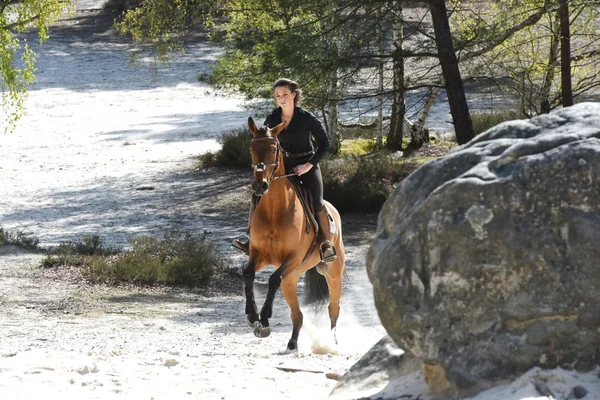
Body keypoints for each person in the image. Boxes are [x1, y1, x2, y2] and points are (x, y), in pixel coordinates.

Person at [232, 78, 336, 264]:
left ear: (293, 95)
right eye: (278, 96)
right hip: (282, 167)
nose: (281, 99)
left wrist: (308, 166)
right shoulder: (272, 118)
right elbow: (265, 142)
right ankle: (249, 238)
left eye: (285, 95)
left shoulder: (307, 118)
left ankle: (325, 245)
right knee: (257, 193)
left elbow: (325, 143)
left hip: (307, 165)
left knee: (318, 201)